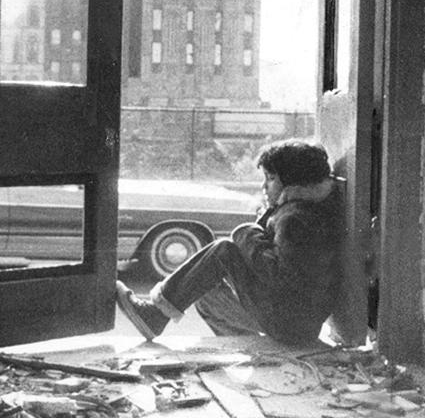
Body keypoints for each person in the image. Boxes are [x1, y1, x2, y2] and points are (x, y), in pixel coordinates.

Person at [116, 139, 343, 345]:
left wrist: (247, 233)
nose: (264, 187)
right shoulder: (298, 210)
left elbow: (278, 277)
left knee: (224, 251)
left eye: (271, 178)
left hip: (291, 325)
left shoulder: (296, 218)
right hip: (294, 323)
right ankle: (246, 346)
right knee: (202, 283)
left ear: (294, 184)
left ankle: (156, 315)